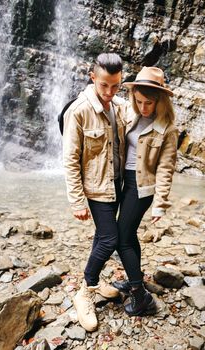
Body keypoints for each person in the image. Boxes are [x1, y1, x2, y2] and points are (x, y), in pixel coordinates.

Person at [63, 53, 126, 331]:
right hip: (96, 189)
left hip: (117, 185)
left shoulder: (119, 106)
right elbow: (70, 159)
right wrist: (77, 201)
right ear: (93, 78)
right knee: (111, 239)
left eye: (115, 86)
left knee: (102, 236)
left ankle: (95, 283)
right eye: (104, 86)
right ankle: (84, 292)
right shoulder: (78, 111)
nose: (109, 92)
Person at [113, 66, 178, 316]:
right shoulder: (130, 112)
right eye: (138, 101)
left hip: (142, 188)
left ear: (160, 101)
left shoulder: (167, 129)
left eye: (149, 103)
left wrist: (160, 203)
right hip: (122, 181)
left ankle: (141, 297)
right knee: (128, 236)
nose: (143, 107)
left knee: (121, 238)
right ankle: (134, 280)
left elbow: (165, 168)